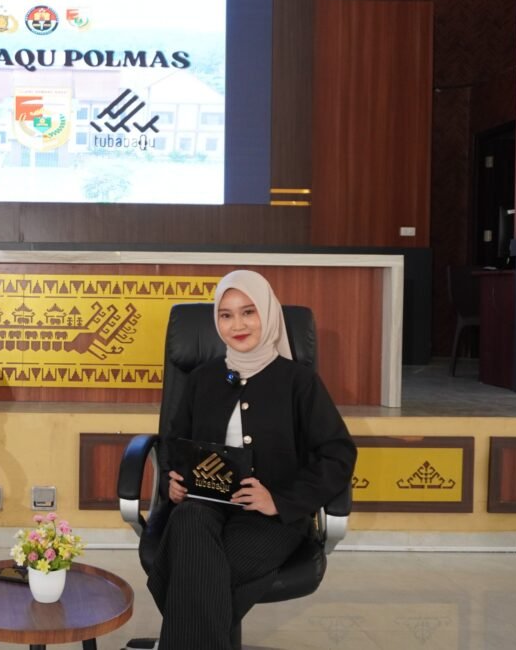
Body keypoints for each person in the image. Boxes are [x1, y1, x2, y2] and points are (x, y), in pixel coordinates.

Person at [146, 269, 357, 650]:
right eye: (226, 315)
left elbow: (338, 453)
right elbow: (175, 443)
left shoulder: (298, 382)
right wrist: (173, 480)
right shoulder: (202, 378)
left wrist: (279, 500)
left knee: (193, 571)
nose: (237, 325)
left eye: (248, 312)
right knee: (189, 521)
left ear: (268, 313)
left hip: (269, 518)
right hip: (202, 506)